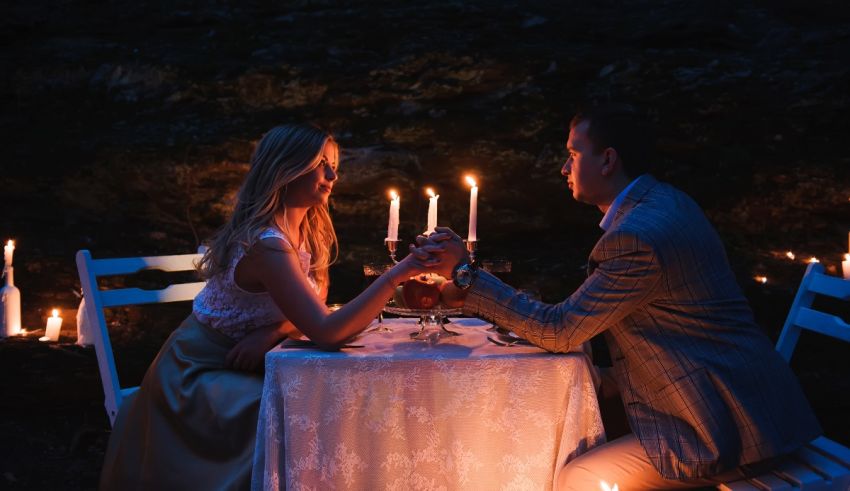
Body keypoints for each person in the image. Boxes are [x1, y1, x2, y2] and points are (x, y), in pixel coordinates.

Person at [416, 105, 822, 489]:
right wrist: (466, 290)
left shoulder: (638, 238)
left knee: (578, 476)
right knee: (576, 404)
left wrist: (466, 274)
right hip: (747, 399)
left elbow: (560, 331)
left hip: (727, 426)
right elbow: (580, 316)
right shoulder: (666, 201)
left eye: (573, 154)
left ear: (607, 160)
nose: (563, 168)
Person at [100, 123, 429, 490]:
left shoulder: (309, 233)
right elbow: (326, 331)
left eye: (334, 164)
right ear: (284, 168)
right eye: (320, 163)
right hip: (198, 374)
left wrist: (273, 331)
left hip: (256, 362)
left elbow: (313, 308)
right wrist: (399, 273)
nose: (333, 175)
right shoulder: (267, 245)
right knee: (298, 409)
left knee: (332, 397)